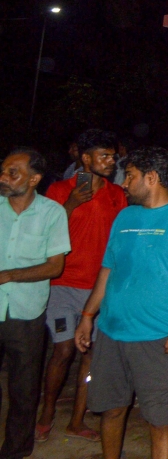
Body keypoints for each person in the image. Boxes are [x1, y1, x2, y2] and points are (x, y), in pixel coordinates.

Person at [74, 147, 168, 459]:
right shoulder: (125, 216)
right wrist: (88, 314)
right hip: (112, 332)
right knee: (111, 410)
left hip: (157, 337)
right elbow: (108, 270)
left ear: (151, 178)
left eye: (131, 176)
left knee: (160, 421)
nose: (124, 183)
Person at [37, 129, 127, 443]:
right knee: (62, 350)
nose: (111, 161)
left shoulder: (117, 194)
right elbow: (44, 233)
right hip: (63, 283)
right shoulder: (60, 189)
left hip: (100, 288)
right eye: (104, 156)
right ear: (85, 158)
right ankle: (46, 413)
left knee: (91, 355)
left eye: (113, 156)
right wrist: (72, 203)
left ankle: (77, 420)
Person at [0, 147, 70, 459]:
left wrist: (9, 275)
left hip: (27, 313)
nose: (3, 177)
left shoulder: (52, 213)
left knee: (24, 389)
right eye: (3, 170)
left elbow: (55, 266)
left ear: (34, 179)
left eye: (12, 172)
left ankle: (15, 450)